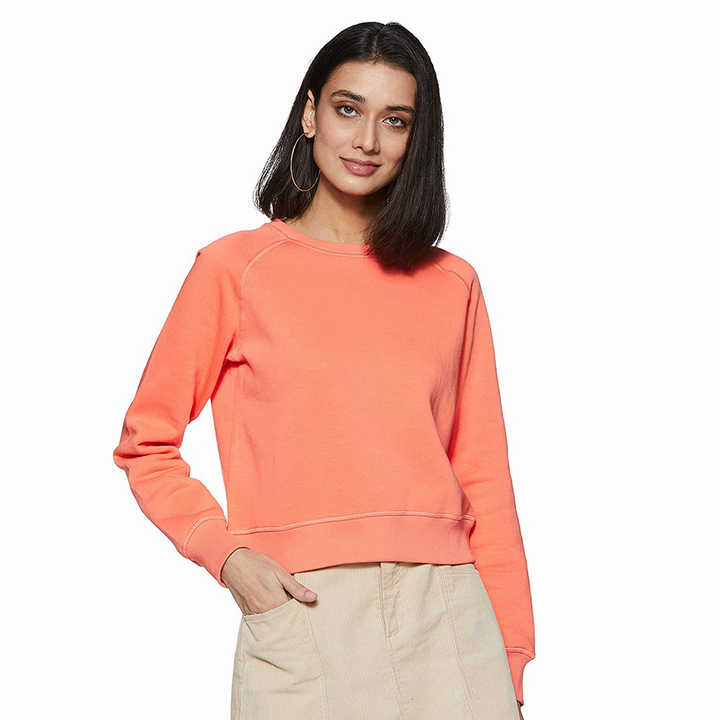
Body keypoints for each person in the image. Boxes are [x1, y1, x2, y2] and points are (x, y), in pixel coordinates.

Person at [112, 20, 535, 720]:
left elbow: (484, 475)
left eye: (394, 121)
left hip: (449, 617)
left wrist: (510, 656)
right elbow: (146, 444)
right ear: (310, 114)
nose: (367, 140)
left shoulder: (452, 282)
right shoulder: (234, 270)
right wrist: (229, 557)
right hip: (304, 610)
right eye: (347, 108)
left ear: (416, 139)